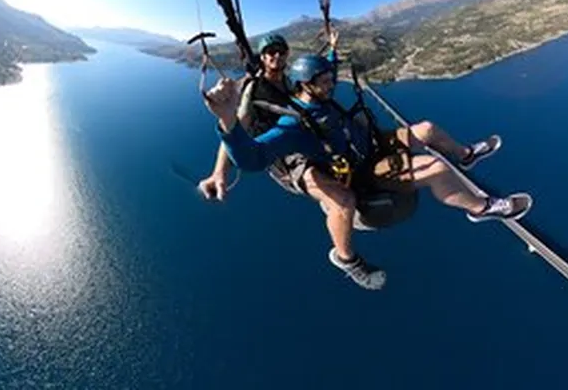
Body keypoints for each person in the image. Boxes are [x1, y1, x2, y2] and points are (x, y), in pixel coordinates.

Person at [204, 49, 532, 291]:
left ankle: (466, 155)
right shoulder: (294, 125)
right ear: (307, 84)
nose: (332, 84)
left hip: (371, 144)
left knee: (428, 129)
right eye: (325, 81)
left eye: (332, 79)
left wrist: (331, 48)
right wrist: (227, 121)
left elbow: (327, 68)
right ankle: (483, 207)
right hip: (365, 168)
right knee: (433, 167)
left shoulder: (319, 93)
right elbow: (252, 159)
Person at [198, 32, 310, 200]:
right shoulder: (253, 89)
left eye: (281, 51)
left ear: (287, 54)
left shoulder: (289, 82)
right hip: (275, 151)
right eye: (271, 52)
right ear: (263, 58)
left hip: (293, 138)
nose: (277, 56)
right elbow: (235, 127)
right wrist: (219, 172)